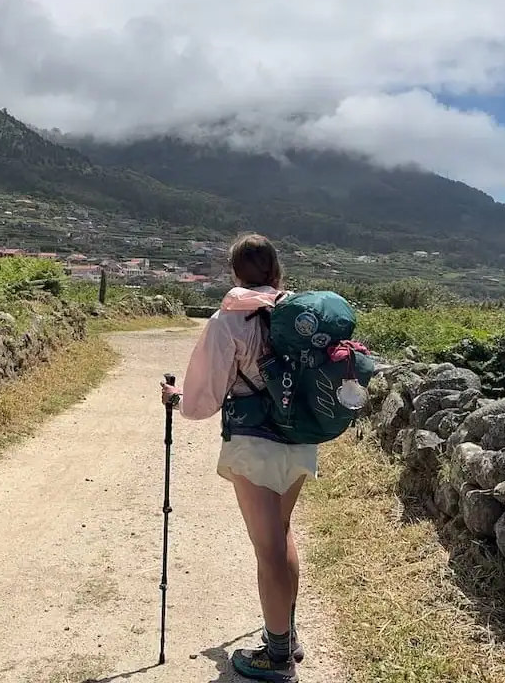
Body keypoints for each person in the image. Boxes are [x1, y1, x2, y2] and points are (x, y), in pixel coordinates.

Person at [160, 232, 314, 683]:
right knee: (281, 536)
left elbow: (203, 401)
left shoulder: (228, 321)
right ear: (275, 270)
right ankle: (285, 635)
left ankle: (278, 657)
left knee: (268, 548)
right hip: (300, 439)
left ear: (234, 274)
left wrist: (176, 398)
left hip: (254, 444)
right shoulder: (301, 316)